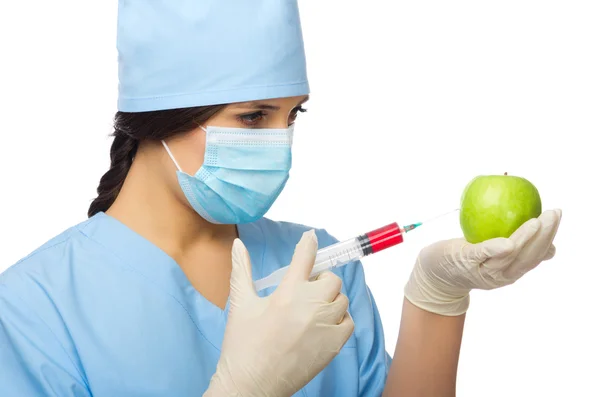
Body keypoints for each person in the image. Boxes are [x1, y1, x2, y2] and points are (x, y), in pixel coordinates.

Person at [0, 1, 562, 396]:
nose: (280, 144)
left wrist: (436, 299)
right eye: (252, 117)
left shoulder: (317, 264)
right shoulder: (33, 311)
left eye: (292, 116)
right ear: (159, 118)